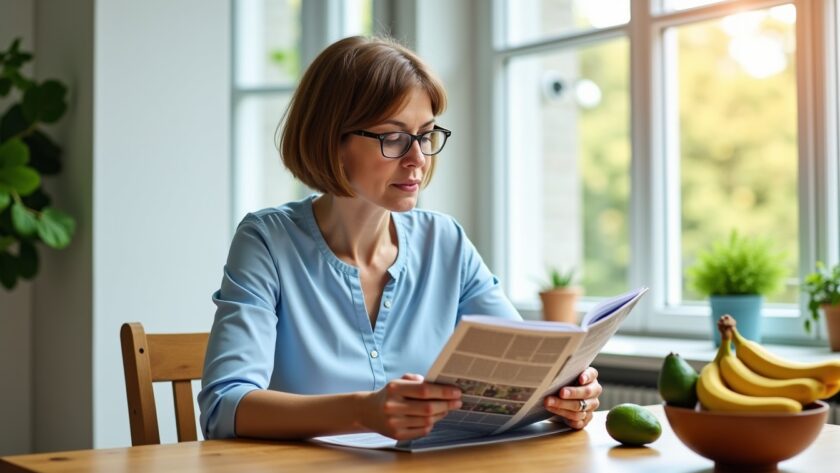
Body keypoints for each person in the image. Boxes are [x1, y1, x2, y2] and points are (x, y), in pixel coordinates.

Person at [198, 35, 602, 441]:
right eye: (393, 137)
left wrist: (566, 393)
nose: (418, 159)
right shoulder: (267, 241)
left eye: (425, 135)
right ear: (332, 140)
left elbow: (524, 366)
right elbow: (224, 407)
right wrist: (362, 412)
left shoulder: (445, 242)